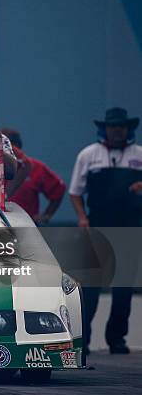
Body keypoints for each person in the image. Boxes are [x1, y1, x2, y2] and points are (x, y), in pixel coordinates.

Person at [69, 107, 142, 355]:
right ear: (105, 128)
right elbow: (75, 192)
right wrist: (82, 218)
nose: (117, 130)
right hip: (97, 225)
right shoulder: (89, 155)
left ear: (128, 128)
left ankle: (117, 339)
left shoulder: (139, 155)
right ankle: (84, 340)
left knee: (123, 289)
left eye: (121, 125)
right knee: (90, 287)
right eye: (113, 126)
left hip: (130, 227)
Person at [1, 128, 66, 223]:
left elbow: (58, 190)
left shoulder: (35, 167)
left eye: (8, 146)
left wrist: (46, 215)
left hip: (27, 225)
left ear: (17, 147)